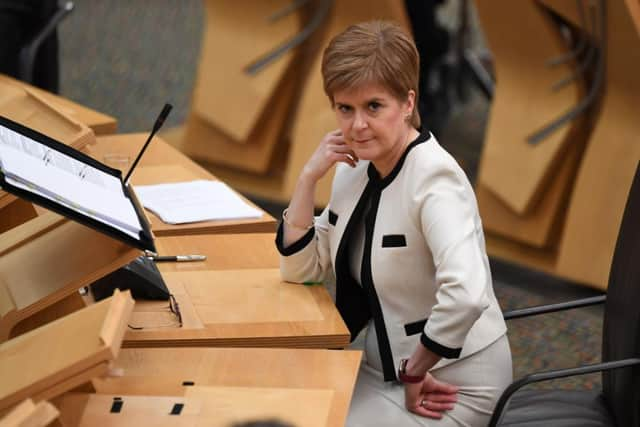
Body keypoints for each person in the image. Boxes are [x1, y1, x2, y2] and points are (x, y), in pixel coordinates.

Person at [276, 21, 511, 426]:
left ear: (407, 103)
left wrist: (416, 369)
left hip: (452, 381)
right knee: (282, 408)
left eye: (373, 106)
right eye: (344, 109)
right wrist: (307, 179)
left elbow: (467, 295)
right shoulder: (354, 169)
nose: (357, 126)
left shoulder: (435, 180)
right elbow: (304, 271)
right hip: (382, 365)